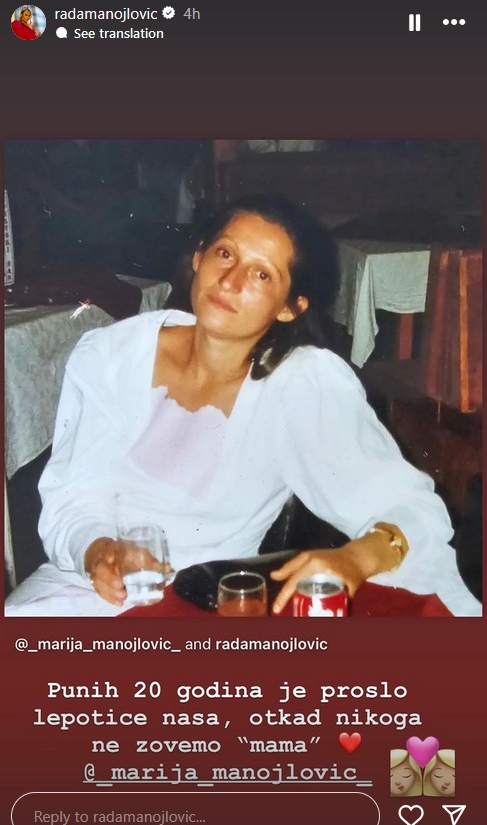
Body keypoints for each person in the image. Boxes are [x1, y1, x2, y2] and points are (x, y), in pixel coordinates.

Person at [4, 195, 481, 616]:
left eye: (261, 274)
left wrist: (353, 560)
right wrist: (97, 551)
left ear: (290, 306)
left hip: (204, 605)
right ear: (198, 258)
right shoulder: (113, 354)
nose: (230, 281)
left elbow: (410, 508)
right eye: (225, 253)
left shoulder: (299, 384)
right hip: (77, 590)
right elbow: (74, 495)